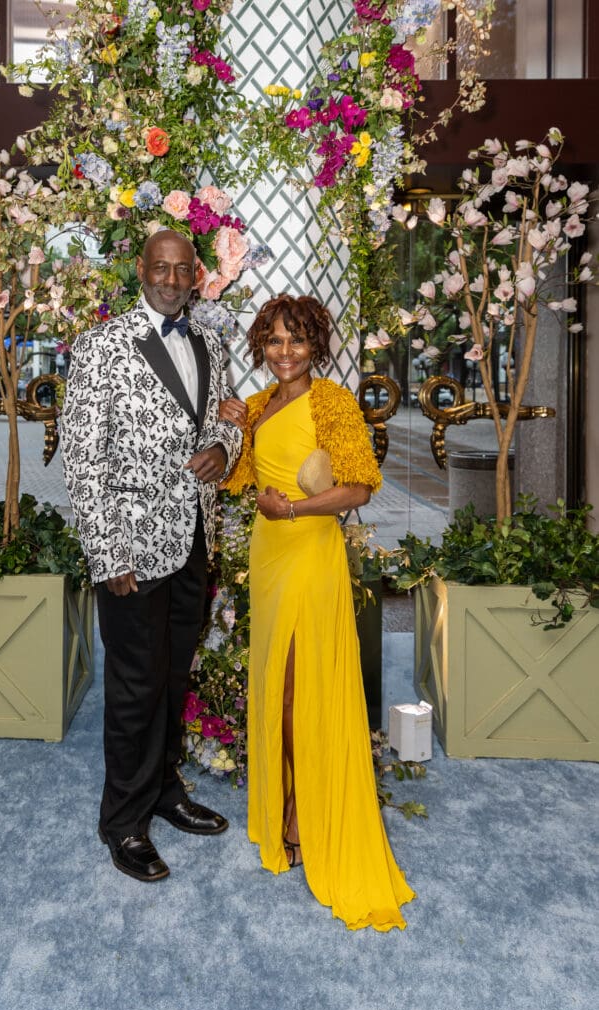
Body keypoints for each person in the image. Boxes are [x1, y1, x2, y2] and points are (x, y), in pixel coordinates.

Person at [224, 294, 415, 930]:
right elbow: (238, 476)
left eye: (297, 341)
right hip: (270, 556)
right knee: (274, 683)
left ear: (316, 347)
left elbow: (359, 486)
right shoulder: (255, 406)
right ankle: (284, 803)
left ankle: (304, 811)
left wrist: (298, 511)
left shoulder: (332, 401)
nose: (285, 352)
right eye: (274, 341)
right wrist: (229, 426)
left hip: (308, 551)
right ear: (261, 346)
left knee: (296, 689)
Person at [61, 229, 242, 883]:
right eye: (158, 267)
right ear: (140, 270)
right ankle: (124, 822)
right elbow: (83, 458)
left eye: (180, 269)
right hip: (132, 550)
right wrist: (108, 555)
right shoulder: (101, 345)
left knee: (172, 676)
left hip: (193, 537)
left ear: (196, 276)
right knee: (135, 687)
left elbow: (226, 420)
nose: (169, 278)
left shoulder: (211, 343)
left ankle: (164, 792)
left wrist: (226, 449)